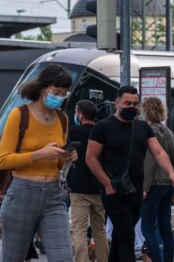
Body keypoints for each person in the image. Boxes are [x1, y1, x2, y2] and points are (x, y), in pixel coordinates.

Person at [87, 86, 174, 262]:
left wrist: (170, 172)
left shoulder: (142, 127)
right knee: (127, 236)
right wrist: (107, 184)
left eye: (135, 104)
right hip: (113, 190)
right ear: (117, 103)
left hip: (136, 191)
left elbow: (158, 152)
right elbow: (91, 158)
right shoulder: (103, 127)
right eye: (127, 103)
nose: (132, 107)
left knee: (120, 236)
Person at [0, 64, 76, 262]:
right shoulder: (19, 114)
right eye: (56, 92)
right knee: (14, 258)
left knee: (64, 257)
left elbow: (57, 165)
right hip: (21, 194)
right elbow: (4, 160)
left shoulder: (63, 118)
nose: (59, 97)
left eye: (64, 94)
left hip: (54, 195)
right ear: (42, 88)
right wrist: (39, 154)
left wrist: (65, 158)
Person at [68, 99, 109, 262]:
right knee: (100, 229)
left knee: (79, 230)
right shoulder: (102, 132)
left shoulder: (73, 132)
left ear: (80, 114)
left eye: (76, 111)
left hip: (78, 189)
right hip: (99, 186)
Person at [140, 97, 174, 262]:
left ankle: (156, 258)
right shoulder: (167, 131)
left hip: (154, 184)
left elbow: (149, 162)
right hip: (167, 185)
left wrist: (145, 187)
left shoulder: (151, 131)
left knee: (147, 227)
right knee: (165, 227)